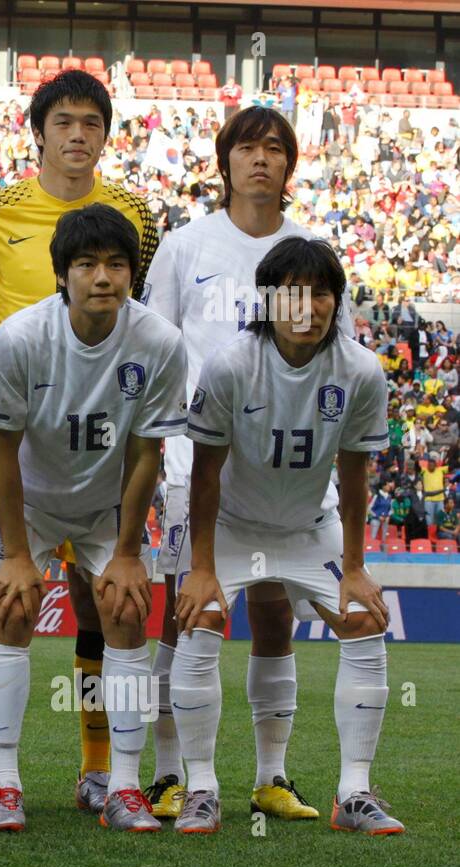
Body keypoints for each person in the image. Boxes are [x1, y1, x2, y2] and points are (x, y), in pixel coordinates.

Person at [143, 105, 355, 821]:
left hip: (290, 472)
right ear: (224, 161)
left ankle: (272, 776)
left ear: (289, 165)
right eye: (247, 147)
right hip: (194, 465)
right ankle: (171, 774)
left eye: (274, 148)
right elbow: (155, 348)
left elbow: (344, 363)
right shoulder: (184, 246)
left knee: (273, 616)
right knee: (186, 614)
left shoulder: (312, 250)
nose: (260, 159)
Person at [0, 69, 158, 815]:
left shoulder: (136, 213)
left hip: (105, 442)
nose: (78, 134)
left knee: (100, 605)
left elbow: (140, 318)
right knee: (8, 600)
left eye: (92, 122)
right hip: (21, 428)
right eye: (64, 121)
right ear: (38, 131)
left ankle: (100, 767)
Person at [175, 236, 401, 835]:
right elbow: (204, 473)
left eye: (321, 293)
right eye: (293, 293)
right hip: (231, 524)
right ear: (268, 300)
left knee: (363, 619)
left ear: (336, 301)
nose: (308, 306)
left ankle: (353, 792)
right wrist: (200, 567)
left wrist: (355, 566)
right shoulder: (230, 365)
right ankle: (202, 788)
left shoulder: (360, 370)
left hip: (309, 524)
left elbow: (355, 476)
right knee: (201, 621)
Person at [0, 206, 187, 832]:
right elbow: (3, 451)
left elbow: (147, 453)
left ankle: (120, 785)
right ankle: (2, 784)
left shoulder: (159, 342)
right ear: (61, 274)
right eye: (87, 264)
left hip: (107, 504)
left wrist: (126, 552)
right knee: (13, 606)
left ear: (133, 273)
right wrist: (16, 552)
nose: (103, 277)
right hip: (29, 502)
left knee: (124, 609)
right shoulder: (19, 338)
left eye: (117, 264)